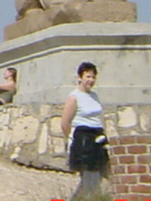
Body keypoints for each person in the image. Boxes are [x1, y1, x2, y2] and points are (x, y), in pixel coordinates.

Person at [60, 61, 108, 201]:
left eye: (93, 77)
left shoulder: (94, 96)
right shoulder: (74, 97)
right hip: (83, 138)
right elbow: (64, 123)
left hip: (97, 136)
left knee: (98, 177)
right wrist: (73, 140)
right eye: (88, 76)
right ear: (80, 77)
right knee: (88, 178)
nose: (91, 80)